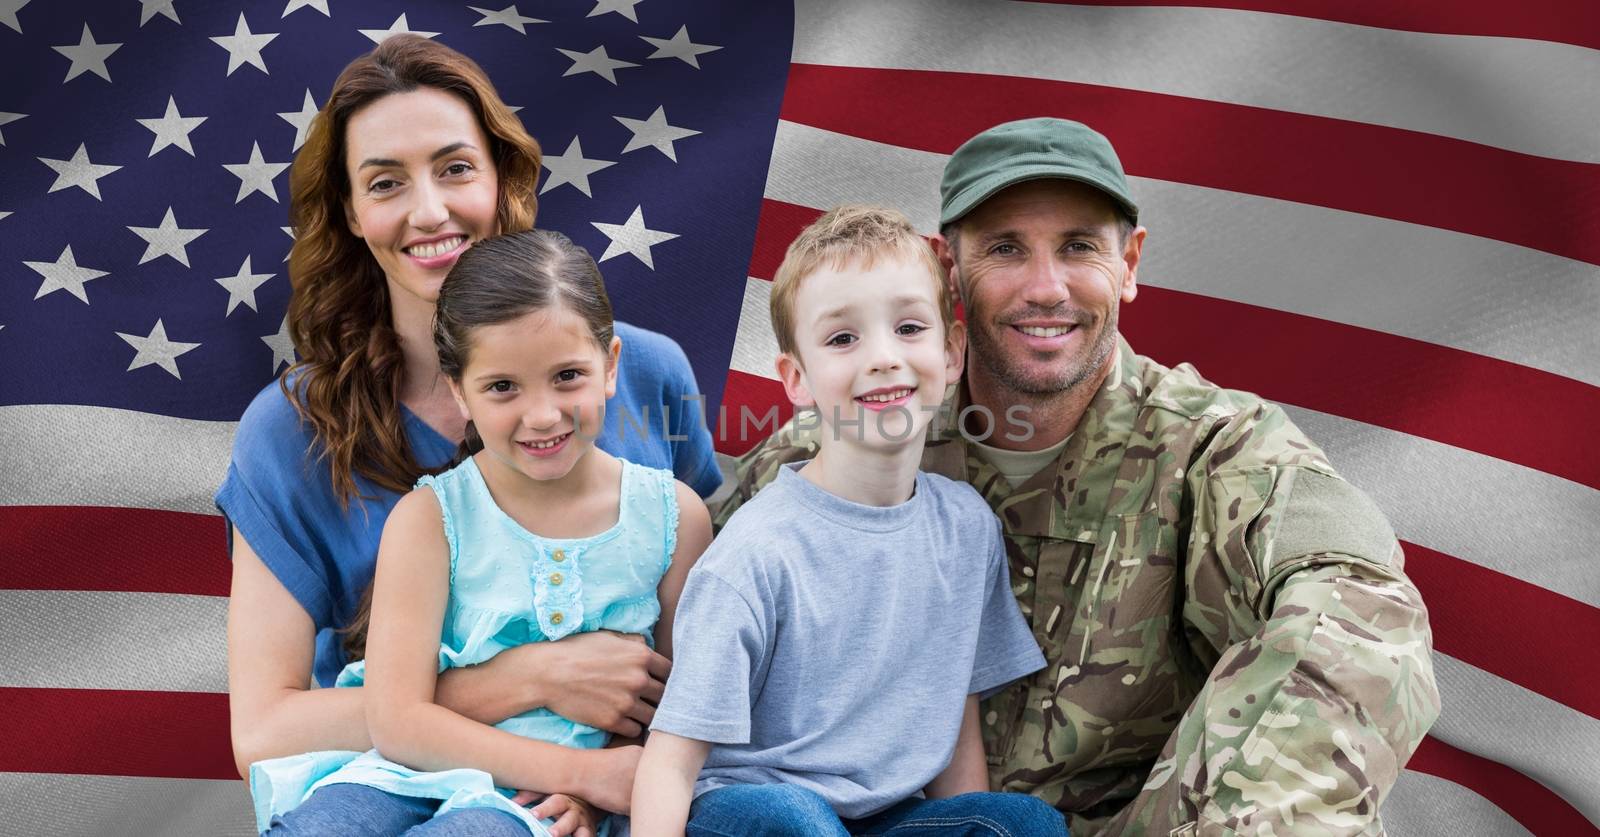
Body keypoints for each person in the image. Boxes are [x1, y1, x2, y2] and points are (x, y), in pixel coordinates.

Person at [713, 120, 1442, 835]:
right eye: (1005, 248)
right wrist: (592, 687)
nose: (1045, 287)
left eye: (1080, 247)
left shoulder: (1212, 446)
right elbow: (668, 587)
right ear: (948, 267)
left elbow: (1363, 616)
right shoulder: (850, 442)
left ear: (1129, 264)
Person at [219, 34, 720, 793]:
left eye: (455, 169)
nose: (429, 210)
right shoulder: (290, 430)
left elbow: (706, 648)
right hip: (382, 799)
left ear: (500, 180)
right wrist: (527, 677)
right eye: (385, 183)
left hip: (611, 804)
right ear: (351, 213)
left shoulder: (648, 372)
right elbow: (261, 732)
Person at [252, 229, 713, 836]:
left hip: (541, 807)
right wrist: (578, 771)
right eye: (502, 387)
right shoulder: (430, 519)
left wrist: (599, 791)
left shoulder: (674, 521)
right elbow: (398, 722)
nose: (542, 414)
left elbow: (683, 710)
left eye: (568, 375)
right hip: (404, 772)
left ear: (612, 367)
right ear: (458, 392)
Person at [631, 206, 1066, 837]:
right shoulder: (758, 552)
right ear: (798, 379)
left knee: (1020, 824)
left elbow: (955, 712)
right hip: (750, 808)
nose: (884, 358)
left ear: (950, 354)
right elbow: (670, 763)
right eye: (843, 338)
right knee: (798, 822)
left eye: (910, 328)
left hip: (886, 819)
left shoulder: (966, 528)